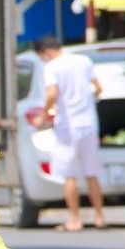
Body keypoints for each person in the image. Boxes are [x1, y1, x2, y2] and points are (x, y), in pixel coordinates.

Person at [36, 37, 105, 231]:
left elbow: (52, 94)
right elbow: (98, 88)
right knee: (92, 173)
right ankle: (100, 217)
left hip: (68, 126)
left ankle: (75, 219)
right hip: (89, 124)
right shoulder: (83, 60)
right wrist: (91, 99)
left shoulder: (52, 67)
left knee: (70, 176)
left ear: (46, 52)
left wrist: (43, 115)